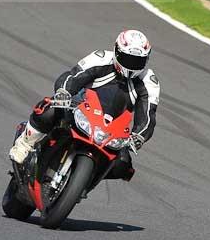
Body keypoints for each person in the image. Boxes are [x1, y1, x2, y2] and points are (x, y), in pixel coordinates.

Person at [9, 29, 160, 176]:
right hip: (79, 109)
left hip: (111, 130)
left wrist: (139, 136)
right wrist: (64, 92)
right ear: (117, 51)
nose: (132, 65)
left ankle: (83, 185)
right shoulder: (101, 58)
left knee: (123, 165)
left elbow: (147, 115)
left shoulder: (149, 82)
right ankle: (25, 143)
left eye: (137, 61)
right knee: (49, 109)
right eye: (128, 59)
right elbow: (73, 76)